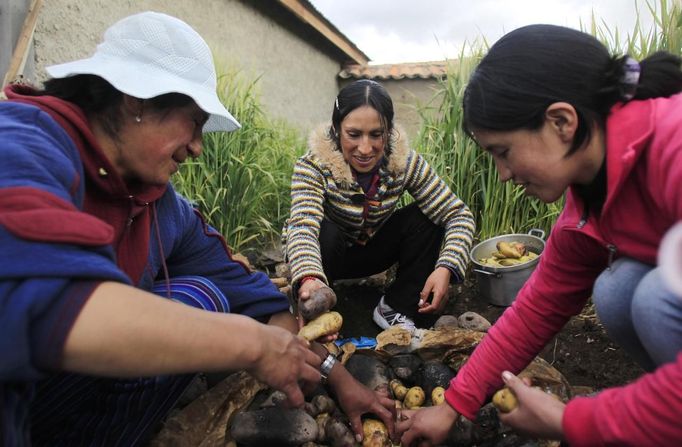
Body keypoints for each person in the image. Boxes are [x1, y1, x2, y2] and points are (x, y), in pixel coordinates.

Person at [0, 12, 394, 446]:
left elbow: (257, 298)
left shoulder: (158, 203)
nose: (197, 147)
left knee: (204, 295)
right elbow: (42, 303)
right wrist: (251, 345)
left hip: (47, 397)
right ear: (138, 101)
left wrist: (336, 378)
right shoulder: (22, 144)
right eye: (194, 122)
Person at [397, 24, 682, 447]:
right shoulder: (587, 203)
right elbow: (535, 309)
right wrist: (454, 404)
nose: (504, 174)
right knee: (618, 290)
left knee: (652, 295)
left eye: (503, 152)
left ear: (561, 122)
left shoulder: (672, 148)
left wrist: (576, 421)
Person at [282, 79, 475, 332]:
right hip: (327, 257)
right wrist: (308, 277)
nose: (365, 148)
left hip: (372, 253)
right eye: (353, 134)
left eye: (376, 135)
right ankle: (319, 305)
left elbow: (458, 215)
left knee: (426, 218)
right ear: (337, 129)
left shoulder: (405, 163)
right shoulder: (313, 166)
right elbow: (302, 228)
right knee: (323, 231)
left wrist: (446, 266)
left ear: (389, 131)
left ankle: (396, 307)